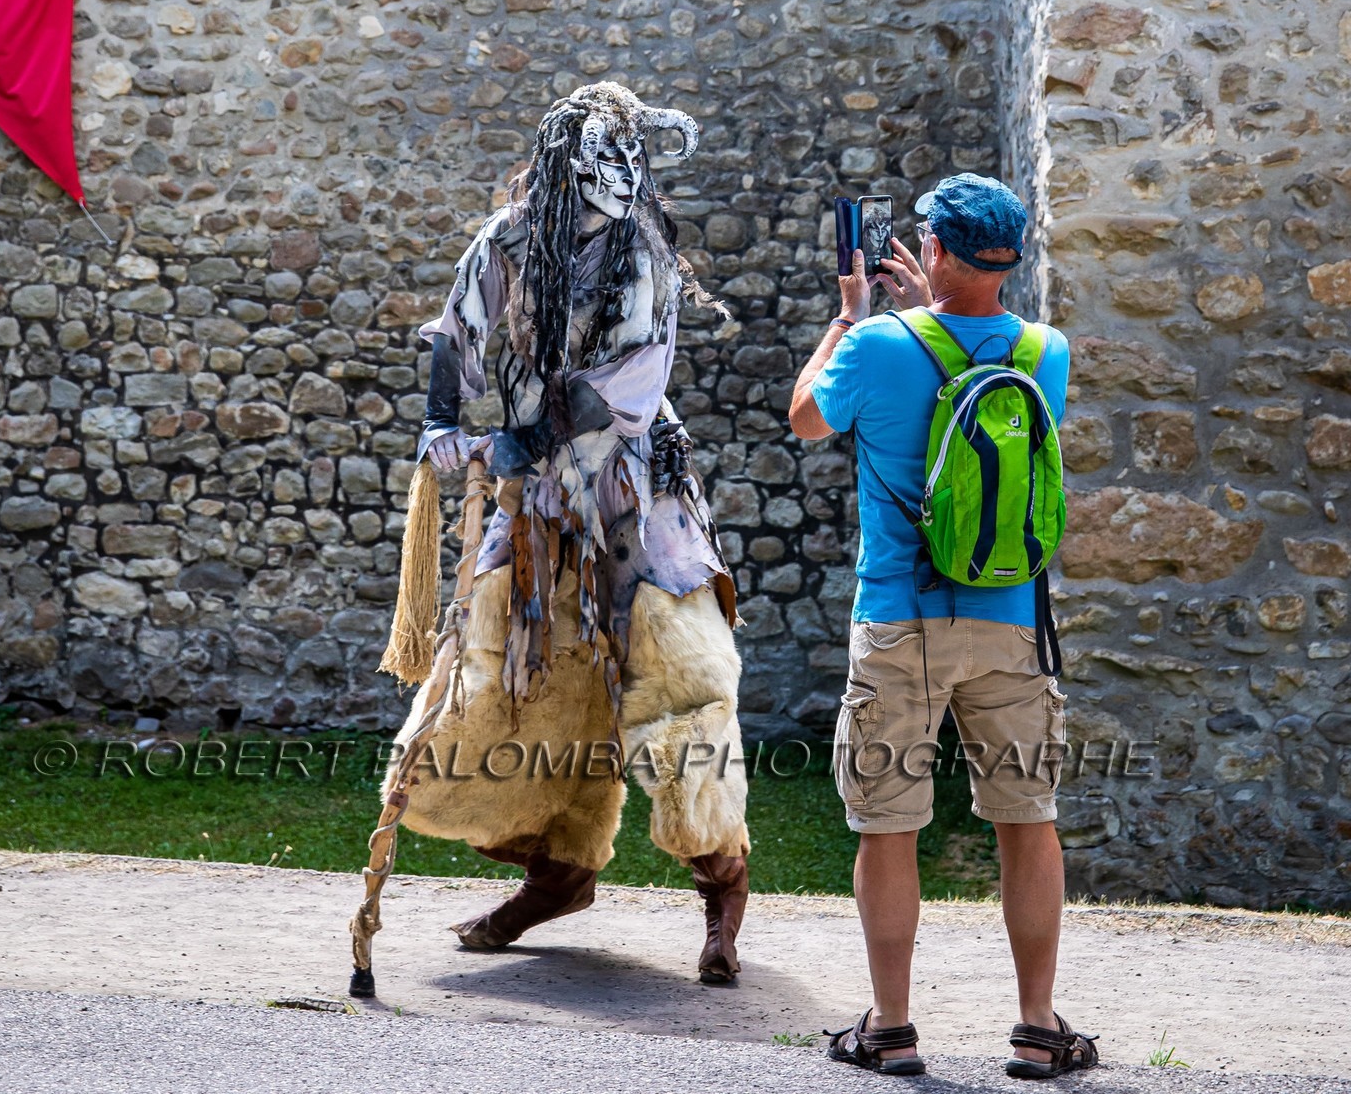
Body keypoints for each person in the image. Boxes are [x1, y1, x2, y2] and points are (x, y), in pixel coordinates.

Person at [348, 81, 750, 1000]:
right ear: (567, 163)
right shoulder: (509, 238)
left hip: (634, 495)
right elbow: (457, 329)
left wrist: (516, 440)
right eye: (602, 160)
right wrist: (438, 420)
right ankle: (557, 875)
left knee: (683, 682)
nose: (620, 176)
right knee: (499, 681)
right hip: (535, 511)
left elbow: (631, 381)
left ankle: (722, 886)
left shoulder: (642, 248)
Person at [789, 173, 1096, 1081]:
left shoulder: (877, 344)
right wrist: (934, 314)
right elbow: (982, 418)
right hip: (1011, 621)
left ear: (935, 252)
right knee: (1027, 819)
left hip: (900, 619)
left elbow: (807, 418)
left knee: (889, 826)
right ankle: (1038, 1026)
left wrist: (848, 318)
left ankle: (891, 1026)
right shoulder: (1047, 350)